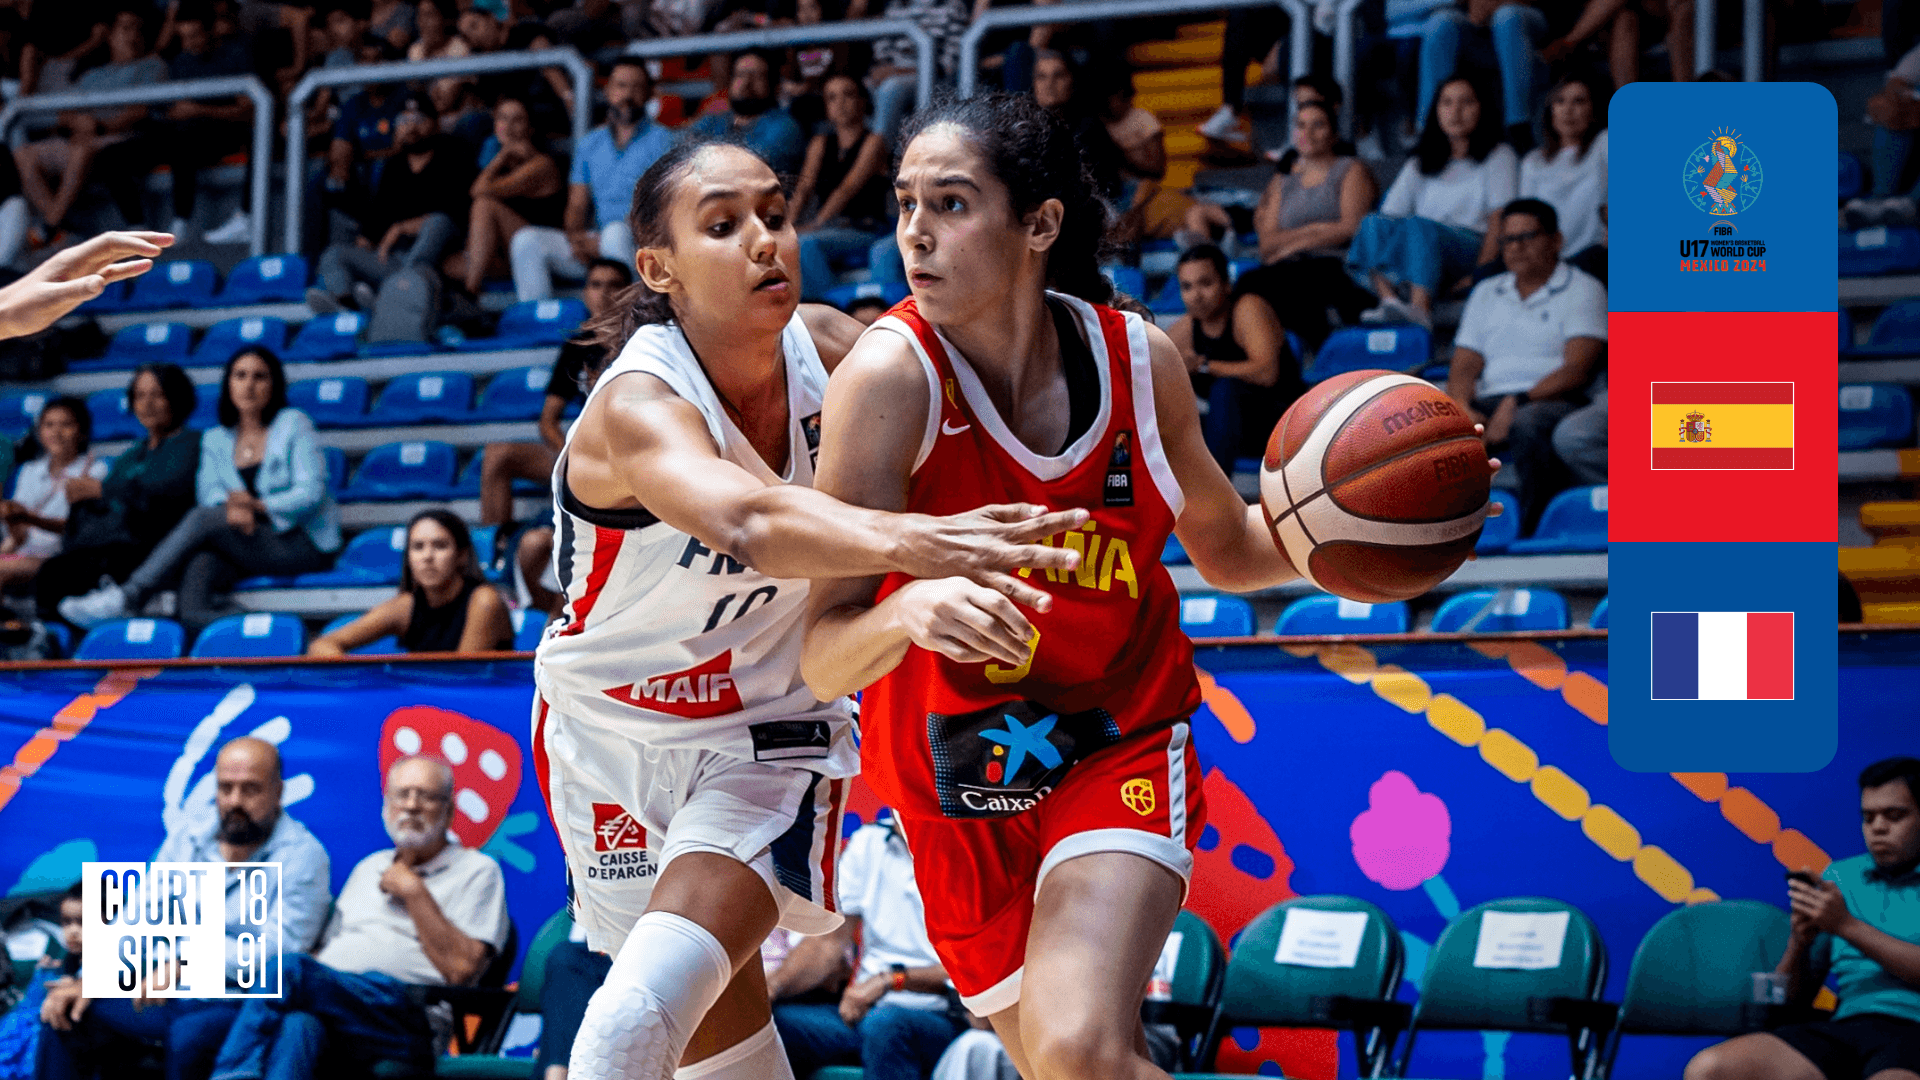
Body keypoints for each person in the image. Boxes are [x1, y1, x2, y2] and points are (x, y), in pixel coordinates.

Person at [800, 93, 1425, 1080]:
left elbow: (1229, 548)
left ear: (1040, 223)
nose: (914, 232)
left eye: (951, 204)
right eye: (906, 203)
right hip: (954, 781)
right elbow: (824, 651)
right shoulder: (888, 381)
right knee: (1080, 1067)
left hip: (1115, 734)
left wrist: (1379, 535)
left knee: (1079, 1047)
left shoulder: (1139, 362)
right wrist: (909, 607)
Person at [534, 136, 1084, 1080]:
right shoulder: (637, 404)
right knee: (716, 1058)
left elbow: (1000, 363)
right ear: (659, 269)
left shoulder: (837, 351)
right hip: (605, 735)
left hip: (766, 731)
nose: (765, 240)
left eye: (776, 215)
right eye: (723, 226)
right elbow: (748, 521)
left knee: (627, 1028)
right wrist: (915, 541)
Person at [38, 737, 333, 1080]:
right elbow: (140, 914)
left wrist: (184, 962)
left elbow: (279, 954)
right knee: (65, 1011)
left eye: (250, 789)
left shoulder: (304, 857)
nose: (235, 801)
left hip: (238, 1000)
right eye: (226, 788)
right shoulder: (189, 837)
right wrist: (92, 978)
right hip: (161, 990)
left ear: (278, 792)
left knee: (191, 1035)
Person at [208, 755, 513, 1080]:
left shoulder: (477, 871)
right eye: (402, 795)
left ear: (449, 811)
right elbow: (325, 951)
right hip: (339, 1006)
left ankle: (231, 1072)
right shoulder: (369, 867)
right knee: (299, 1025)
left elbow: (463, 970)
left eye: (425, 796)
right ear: (386, 806)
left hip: (407, 1015)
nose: (412, 806)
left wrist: (414, 892)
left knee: (289, 968)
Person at [61, 347, 342, 631]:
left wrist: (256, 506)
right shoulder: (216, 438)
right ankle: (271, 628)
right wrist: (232, 509)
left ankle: (127, 596)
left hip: (299, 543)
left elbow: (311, 493)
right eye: (240, 376)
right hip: (243, 539)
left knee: (202, 517)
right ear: (228, 384)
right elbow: (210, 493)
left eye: (259, 377)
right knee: (193, 605)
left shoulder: (293, 423)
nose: (248, 385)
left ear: (274, 384)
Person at [1685, 756, 1920, 1080]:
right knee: (1708, 1069)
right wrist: (1799, 943)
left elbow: (1848, 928)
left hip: (1913, 1031)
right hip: (1847, 1026)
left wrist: (1846, 926)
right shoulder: (1840, 877)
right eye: (1868, 817)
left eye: (1894, 816)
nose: (1878, 827)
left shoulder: (1841, 911)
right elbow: (1784, 1004)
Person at [1444, 197, 1603, 533]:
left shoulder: (1584, 289)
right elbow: (1464, 363)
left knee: (1527, 424)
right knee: (1426, 424)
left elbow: (1577, 369)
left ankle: (1531, 531)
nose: (1515, 248)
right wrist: (1461, 405)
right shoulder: (1486, 291)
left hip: (1555, 400)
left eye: (1527, 237)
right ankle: (1442, 537)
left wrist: (1518, 401)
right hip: (1492, 398)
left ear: (1556, 240)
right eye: (1507, 240)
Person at [477, 256, 630, 603]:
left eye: (614, 285)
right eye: (596, 285)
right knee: (498, 454)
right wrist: (568, 455)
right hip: (583, 452)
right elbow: (548, 419)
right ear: (585, 293)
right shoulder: (578, 345)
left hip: (628, 455)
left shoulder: (641, 340)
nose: (604, 294)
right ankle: (493, 555)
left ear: (629, 292)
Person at [774, 818, 968, 1080]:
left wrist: (889, 981)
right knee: (772, 1023)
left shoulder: (970, 849)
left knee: (887, 1025)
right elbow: (827, 942)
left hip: (942, 1016)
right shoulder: (869, 841)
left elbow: (974, 967)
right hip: (861, 1013)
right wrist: (771, 988)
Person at [35, 362, 199, 626]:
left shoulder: (192, 444)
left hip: (157, 544)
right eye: (140, 395)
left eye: (157, 394)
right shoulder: (130, 456)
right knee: (52, 572)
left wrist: (101, 489)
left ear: (177, 398)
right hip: (115, 543)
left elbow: (166, 493)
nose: (147, 404)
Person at [1346, 75, 1516, 327]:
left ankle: (1420, 309)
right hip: (1420, 250)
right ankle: (1389, 301)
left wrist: (1479, 275)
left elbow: (1500, 218)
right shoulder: (1420, 162)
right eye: (1447, 103)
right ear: (1436, 110)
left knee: (1419, 225)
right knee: (1372, 223)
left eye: (1466, 102)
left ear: (1483, 108)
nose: (1455, 112)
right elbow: (1389, 218)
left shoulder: (1499, 155)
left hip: (1469, 248)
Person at [512, 58, 673, 302]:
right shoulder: (590, 143)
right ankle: (540, 319)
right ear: (608, 91)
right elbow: (577, 205)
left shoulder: (664, 140)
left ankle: (631, 314)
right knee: (526, 241)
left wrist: (606, 240)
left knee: (615, 234)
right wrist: (577, 239)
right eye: (621, 86)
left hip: (640, 246)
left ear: (650, 93)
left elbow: (661, 208)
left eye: (637, 87)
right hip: (596, 243)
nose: (627, 95)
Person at [309, 92, 475, 314]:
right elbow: (378, 218)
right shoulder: (394, 165)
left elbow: (456, 213)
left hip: (437, 260)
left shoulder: (454, 155)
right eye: (404, 120)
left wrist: (402, 227)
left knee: (437, 223)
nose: (411, 127)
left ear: (435, 124)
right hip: (397, 260)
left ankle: (388, 294)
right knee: (334, 254)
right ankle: (346, 305)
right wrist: (366, 241)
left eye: (419, 120)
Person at [1233, 98, 1380, 349]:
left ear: (1334, 134)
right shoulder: (1282, 181)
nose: (1307, 133)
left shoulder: (1350, 170)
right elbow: (1267, 244)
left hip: (1336, 265)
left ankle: (1321, 353)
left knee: (1301, 282)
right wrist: (1316, 229)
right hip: (1287, 266)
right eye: (1301, 125)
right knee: (1247, 284)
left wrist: (1291, 243)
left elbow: (1351, 227)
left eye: (1318, 125)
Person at [12, 8, 169, 243]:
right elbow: (65, 111)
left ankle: (49, 226)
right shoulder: (93, 75)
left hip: (122, 140)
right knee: (23, 154)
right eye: (126, 28)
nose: (133, 35)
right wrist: (76, 121)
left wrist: (102, 126)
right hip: (82, 139)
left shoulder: (153, 66)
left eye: (139, 29)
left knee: (83, 149)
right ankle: (55, 224)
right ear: (110, 36)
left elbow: (141, 110)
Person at [1166, 245, 1300, 473]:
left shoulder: (1247, 308)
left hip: (1282, 425)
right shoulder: (1187, 327)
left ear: (1226, 284)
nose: (1196, 296)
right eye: (1187, 287)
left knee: (1225, 390)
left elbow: (1267, 373)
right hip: (1231, 429)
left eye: (1206, 283)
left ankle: (1211, 489)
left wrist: (1204, 366)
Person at [309, 509, 514, 655]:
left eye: (440, 546)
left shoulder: (484, 601)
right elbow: (322, 645)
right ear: (408, 558)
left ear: (462, 555)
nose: (427, 556)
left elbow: (463, 677)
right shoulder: (406, 607)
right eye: (418, 547)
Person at [146, 0, 256, 244]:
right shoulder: (181, 62)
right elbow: (171, 109)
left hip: (233, 131)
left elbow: (249, 112)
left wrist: (199, 110)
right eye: (183, 38)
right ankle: (180, 221)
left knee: (257, 137)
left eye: (195, 35)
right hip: (197, 135)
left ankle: (246, 218)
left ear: (211, 29)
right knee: (177, 139)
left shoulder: (236, 54)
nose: (189, 43)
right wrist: (176, 113)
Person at [793, 74, 895, 303]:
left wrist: (816, 224)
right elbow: (803, 188)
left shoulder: (874, 142)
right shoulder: (820, 143)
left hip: (866, 229)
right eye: (832, 98)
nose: (839, 103)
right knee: (790, 241)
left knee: (806, 244)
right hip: (831, 229)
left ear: (863, 101)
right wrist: (785, 226)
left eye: (848, 94)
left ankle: (830, 306)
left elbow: (847, 188)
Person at [459, 96, 567, 299]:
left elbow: (478, 190)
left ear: (530, 128)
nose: (507, 126)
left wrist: (501, 155)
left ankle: (470, 293)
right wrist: (503, 156)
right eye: (502, 118)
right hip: (506, 253)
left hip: (539, 250)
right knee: (448, 263)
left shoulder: (541, 164)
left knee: (484, 205)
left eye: (517, 120)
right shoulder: (504, 162)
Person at [0, 397, 104, 593]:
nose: (56, 432)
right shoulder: (28, 470)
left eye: (66, 425)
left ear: (82, 432)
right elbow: (19, 535)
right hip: (21, 553)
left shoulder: (95, 472)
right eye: (49, 425)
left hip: (62, 558)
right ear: (39, 432)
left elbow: (76, 530)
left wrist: (29, 518)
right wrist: (13, 519)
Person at [1417, 0, 1549, 150]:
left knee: (1507, 16)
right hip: (1476, 22)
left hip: (1526, 16)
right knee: (1440, 23)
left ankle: (1518, 127)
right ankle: (1428, 132)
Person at [1518, 74, 1607, 279]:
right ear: (1550, 110)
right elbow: (1525, 220)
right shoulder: (1532, 161)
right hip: (1546, 261)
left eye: (1579, 101)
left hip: (1594, 255)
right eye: (1560, 101)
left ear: (1593, 111)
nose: (1568, 110)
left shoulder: (1605, 143)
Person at [688, 51, 807, 178]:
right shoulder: (713, 120)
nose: (746, 83)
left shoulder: (784, 126)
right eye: (740, 75)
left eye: (757, 76)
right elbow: (684, 153)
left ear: (773, 85)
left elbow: (750, 169)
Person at [1540, 0, 1694, 88]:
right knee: (1625, 19)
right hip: (1609, 17)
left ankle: (1567, 44)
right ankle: (1628, 109)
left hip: (1659, 15)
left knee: (1682, 7)